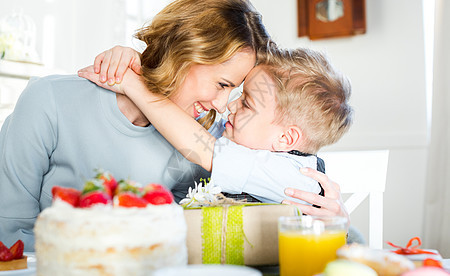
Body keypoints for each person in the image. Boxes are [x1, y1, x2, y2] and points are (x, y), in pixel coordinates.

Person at [0, 0, 270, 252]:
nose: (222, 106)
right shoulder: (49, 101)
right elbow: (10, 236)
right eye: (222, 84)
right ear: (185, 53)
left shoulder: (200, 140)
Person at [79, 45, 353, 204]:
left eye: (246, 103)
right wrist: (140, 65)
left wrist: (133, 84)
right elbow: (183, 120)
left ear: (286, 139)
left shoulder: (291, 175)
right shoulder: (236, 134)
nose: (228, 106)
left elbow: (199, 147)